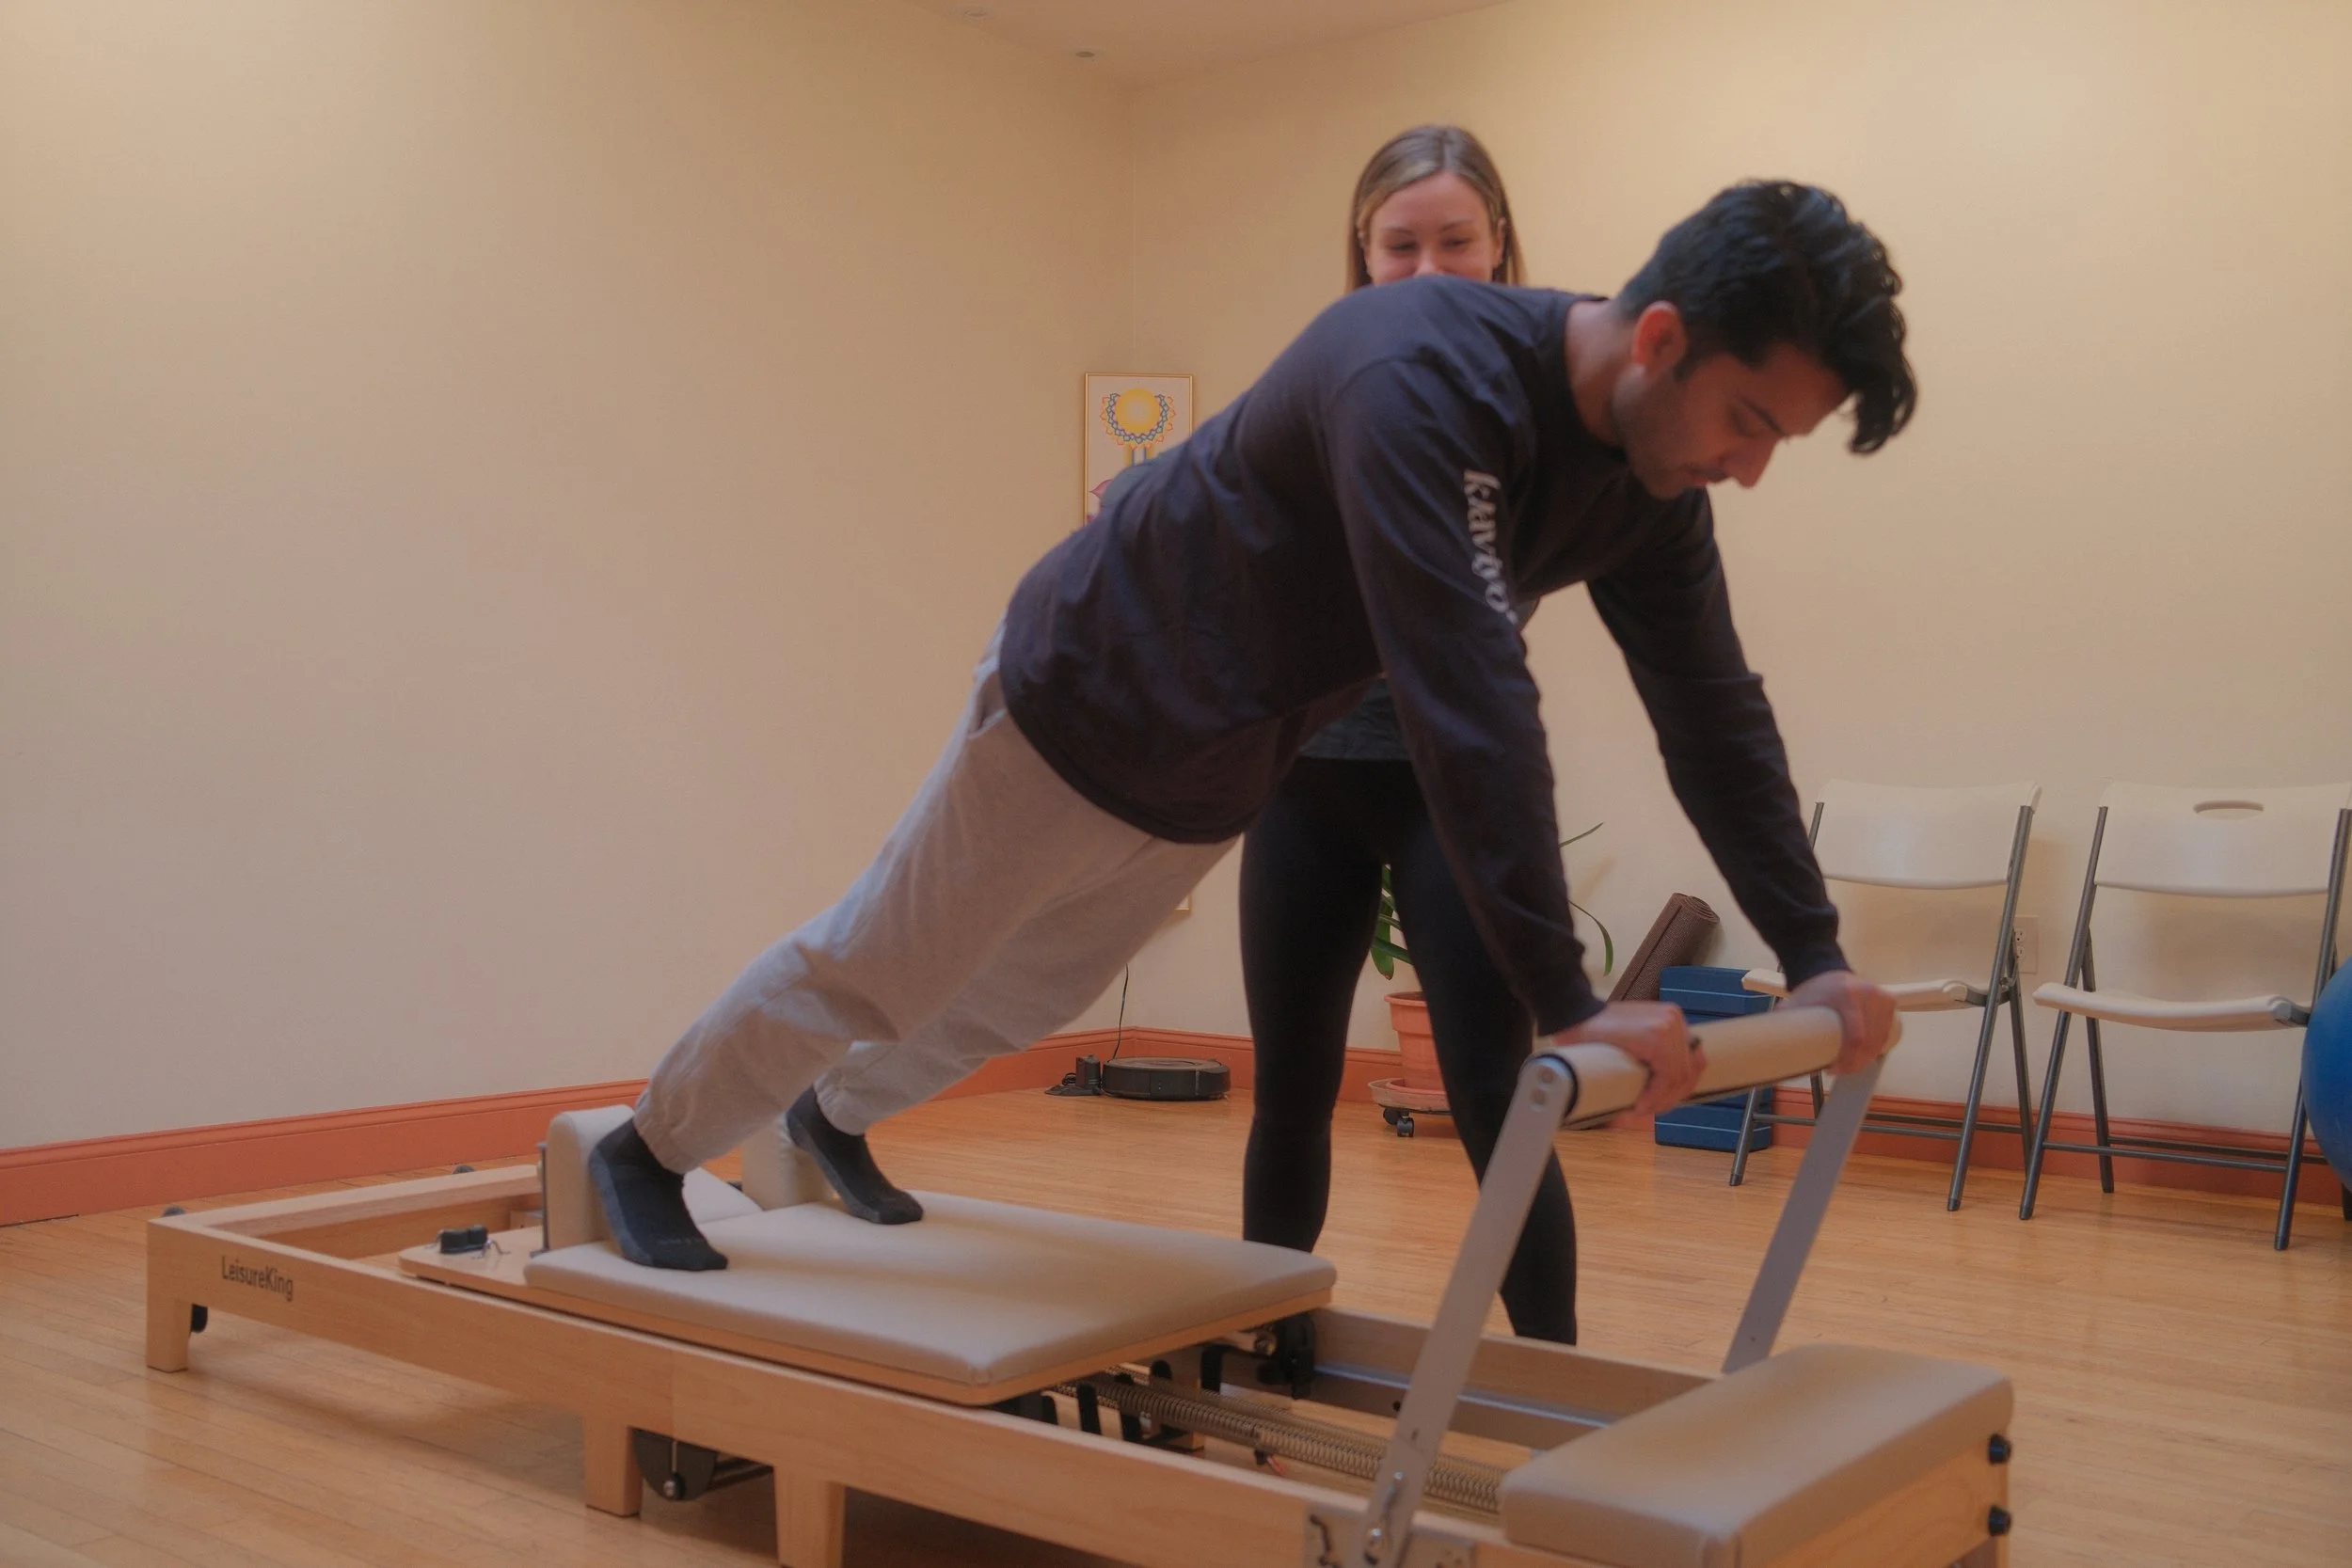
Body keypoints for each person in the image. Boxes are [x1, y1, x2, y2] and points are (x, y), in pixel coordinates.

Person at [590, 178, 1912, 1273]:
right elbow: (1469, 693)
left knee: (1023, 995)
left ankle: (830, 1113)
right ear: (1664, 336)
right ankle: (644, 1148)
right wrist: (1570, 1003)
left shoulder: (1652, 489)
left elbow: (1712, 711)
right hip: (1086, 691)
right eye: (1749, 422)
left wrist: (1816, 952)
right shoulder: (1422, 375)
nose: (1748, 467)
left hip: (1231, 748)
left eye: (1776, 442)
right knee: (882, 961)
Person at [1235, 125, 1588, 1343]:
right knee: (1289, 1093)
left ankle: (1557, 1383)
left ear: (1501, 250)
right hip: (1306, 788)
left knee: (1496, 1097)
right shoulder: (1321, 385)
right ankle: (1263, 1361)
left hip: (1449, 794)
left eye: (1456, 241)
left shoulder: (1534, 408)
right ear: (1362, 254)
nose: (1428, 269)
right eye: (1400, 246)